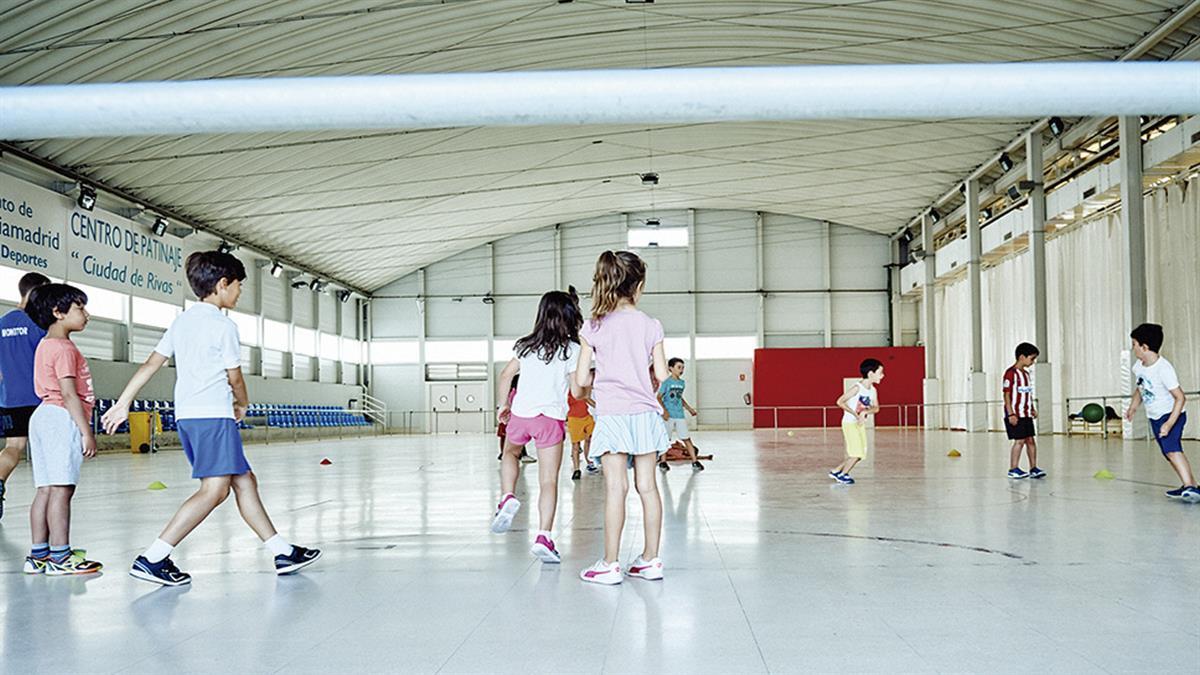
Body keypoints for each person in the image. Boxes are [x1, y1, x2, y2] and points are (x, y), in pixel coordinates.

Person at [102, 250, 321, 586]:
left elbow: (150, 364)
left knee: (244, 479)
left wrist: (123, 402)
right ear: (222, 284)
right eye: (238, 286)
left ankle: (282, 551)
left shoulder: (181, 322)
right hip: (212, 416)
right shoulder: (223, 326)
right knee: (215, 491)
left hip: (189, 416)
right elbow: (235, 377)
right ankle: (153, 557)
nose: (239, 292)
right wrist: (243, 404)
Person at [576, 251, 670, 585]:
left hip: (613, 413)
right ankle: (651, 559)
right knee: (648, 487)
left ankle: (610, 564)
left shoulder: (594, 326)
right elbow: (661, 373)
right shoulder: (651, 325)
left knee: (616, 487)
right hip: (645, 414)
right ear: (639, 286)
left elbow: (583, 380)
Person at [490, 289, 583, 564]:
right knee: (548, 481)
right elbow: (577, 391)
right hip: (550, 419)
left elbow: (506, 374)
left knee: (510, 454)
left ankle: (507, 496)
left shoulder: (525, 345)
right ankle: (544, 536)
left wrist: (502, 406)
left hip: (520, 414)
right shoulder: (572, 349)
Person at [23, 283, 102, 575]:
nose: (86, 314)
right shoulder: (65, 348)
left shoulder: (45, 344)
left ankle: (38, 555)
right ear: (58, 312)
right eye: (80, 307)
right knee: (62, 490)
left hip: (42, 416)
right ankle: (60, 556)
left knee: (45, 489)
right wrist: (86, 432)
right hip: (61, 417)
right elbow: (69, 394)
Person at [1124, 323, 1198, 502]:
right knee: (1168, 453)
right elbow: (1141, 388)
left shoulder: (1164, 369)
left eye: (1134, 344)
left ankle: (1189, 486)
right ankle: (1192, 486)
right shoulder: (1139, 366)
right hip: (1155, 416)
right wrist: (1133, 406)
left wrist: (1169, 423)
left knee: (1172, 450)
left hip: (1172, 415)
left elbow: (1180, 398)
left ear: (1145, 347)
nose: (1133, 348)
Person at [0, 272, 50, 523]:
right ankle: (49, 505)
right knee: (49, 453)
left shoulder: (2, 323)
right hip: (41, 399)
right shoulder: (40, 324)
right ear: (35, 292)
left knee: (12, 448)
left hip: (10, 399)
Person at [829, 359, 884, 485]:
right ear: (871, 374)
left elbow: (876, 408)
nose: (882, 375)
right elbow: (840, 401)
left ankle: (836, 470)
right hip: (849, 423)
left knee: (860, 452)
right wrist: (854, 413)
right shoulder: (857, 388)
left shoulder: (872, 390)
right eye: (880, 372)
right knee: (856, 453)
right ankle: (843, 474)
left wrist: (865, 412)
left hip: (859, 424)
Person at [1003, 343, 1045, 479]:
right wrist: (1011, 413)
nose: (1032, 362)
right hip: (1016, 414)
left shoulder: (1026, 375)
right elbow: (1007, 395)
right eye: (1031, 359)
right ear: (1022, 357)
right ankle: (1013, 468)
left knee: (1031, 441)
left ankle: (1033, 468)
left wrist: (1032, 408)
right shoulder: (1010, 374)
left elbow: (1028, 393)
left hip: (1026, 414)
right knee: (1019, 441)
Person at [657, 357, 703, 472]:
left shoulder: (682, 383)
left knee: (686, 438)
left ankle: (695, 461)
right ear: (671, 368)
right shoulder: (666, 383)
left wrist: (689, 408)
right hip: (668, 415)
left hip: (679, 415)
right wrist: (664, 411)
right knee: (665, 439)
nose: (681, 370)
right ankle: (663, 462)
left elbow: (679, 398)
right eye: (679, 367)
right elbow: (658, 397)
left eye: (683, 367)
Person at [567, 384, 596, 480]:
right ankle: (576, 469)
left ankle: (590, 461)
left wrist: (599, 406)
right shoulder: (567, 390)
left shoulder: (583, 388)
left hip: (586, 416)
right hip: (574, 419)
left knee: (589, 438)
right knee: (575, 445)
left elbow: (587, 399)